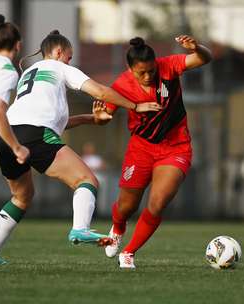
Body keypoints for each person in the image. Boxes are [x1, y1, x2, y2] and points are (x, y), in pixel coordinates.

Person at [0, 30, 161, 265]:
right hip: (35, 134)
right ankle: (80, 229)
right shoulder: (59, 67)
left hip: (6, 136)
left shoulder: (29, 73)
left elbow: (55, 123)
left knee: (21, 196)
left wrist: (90, 118)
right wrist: (136, 106)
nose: (70, 62)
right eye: (70, 57)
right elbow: (101, 92)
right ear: (60, 52)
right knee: (87, 181)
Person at [94, 35, 212, 268]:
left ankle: (128, 252)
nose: (148, 76)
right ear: (130, 69)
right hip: (141, 148)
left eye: (151, 71)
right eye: (141, 73)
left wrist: (196, 47)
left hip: (175, 147)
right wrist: (99, 119)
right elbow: (104, 117)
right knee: (127, 206)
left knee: (158, 202)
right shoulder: (121, 85)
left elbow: (204, 59)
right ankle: (118, 228)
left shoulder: (168, 66)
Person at [0, 13, 30, 265]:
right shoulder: (7, 71)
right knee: (23, 194)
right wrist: (16, 146)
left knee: (24, 192)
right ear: (18, 45)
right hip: (6, 139)